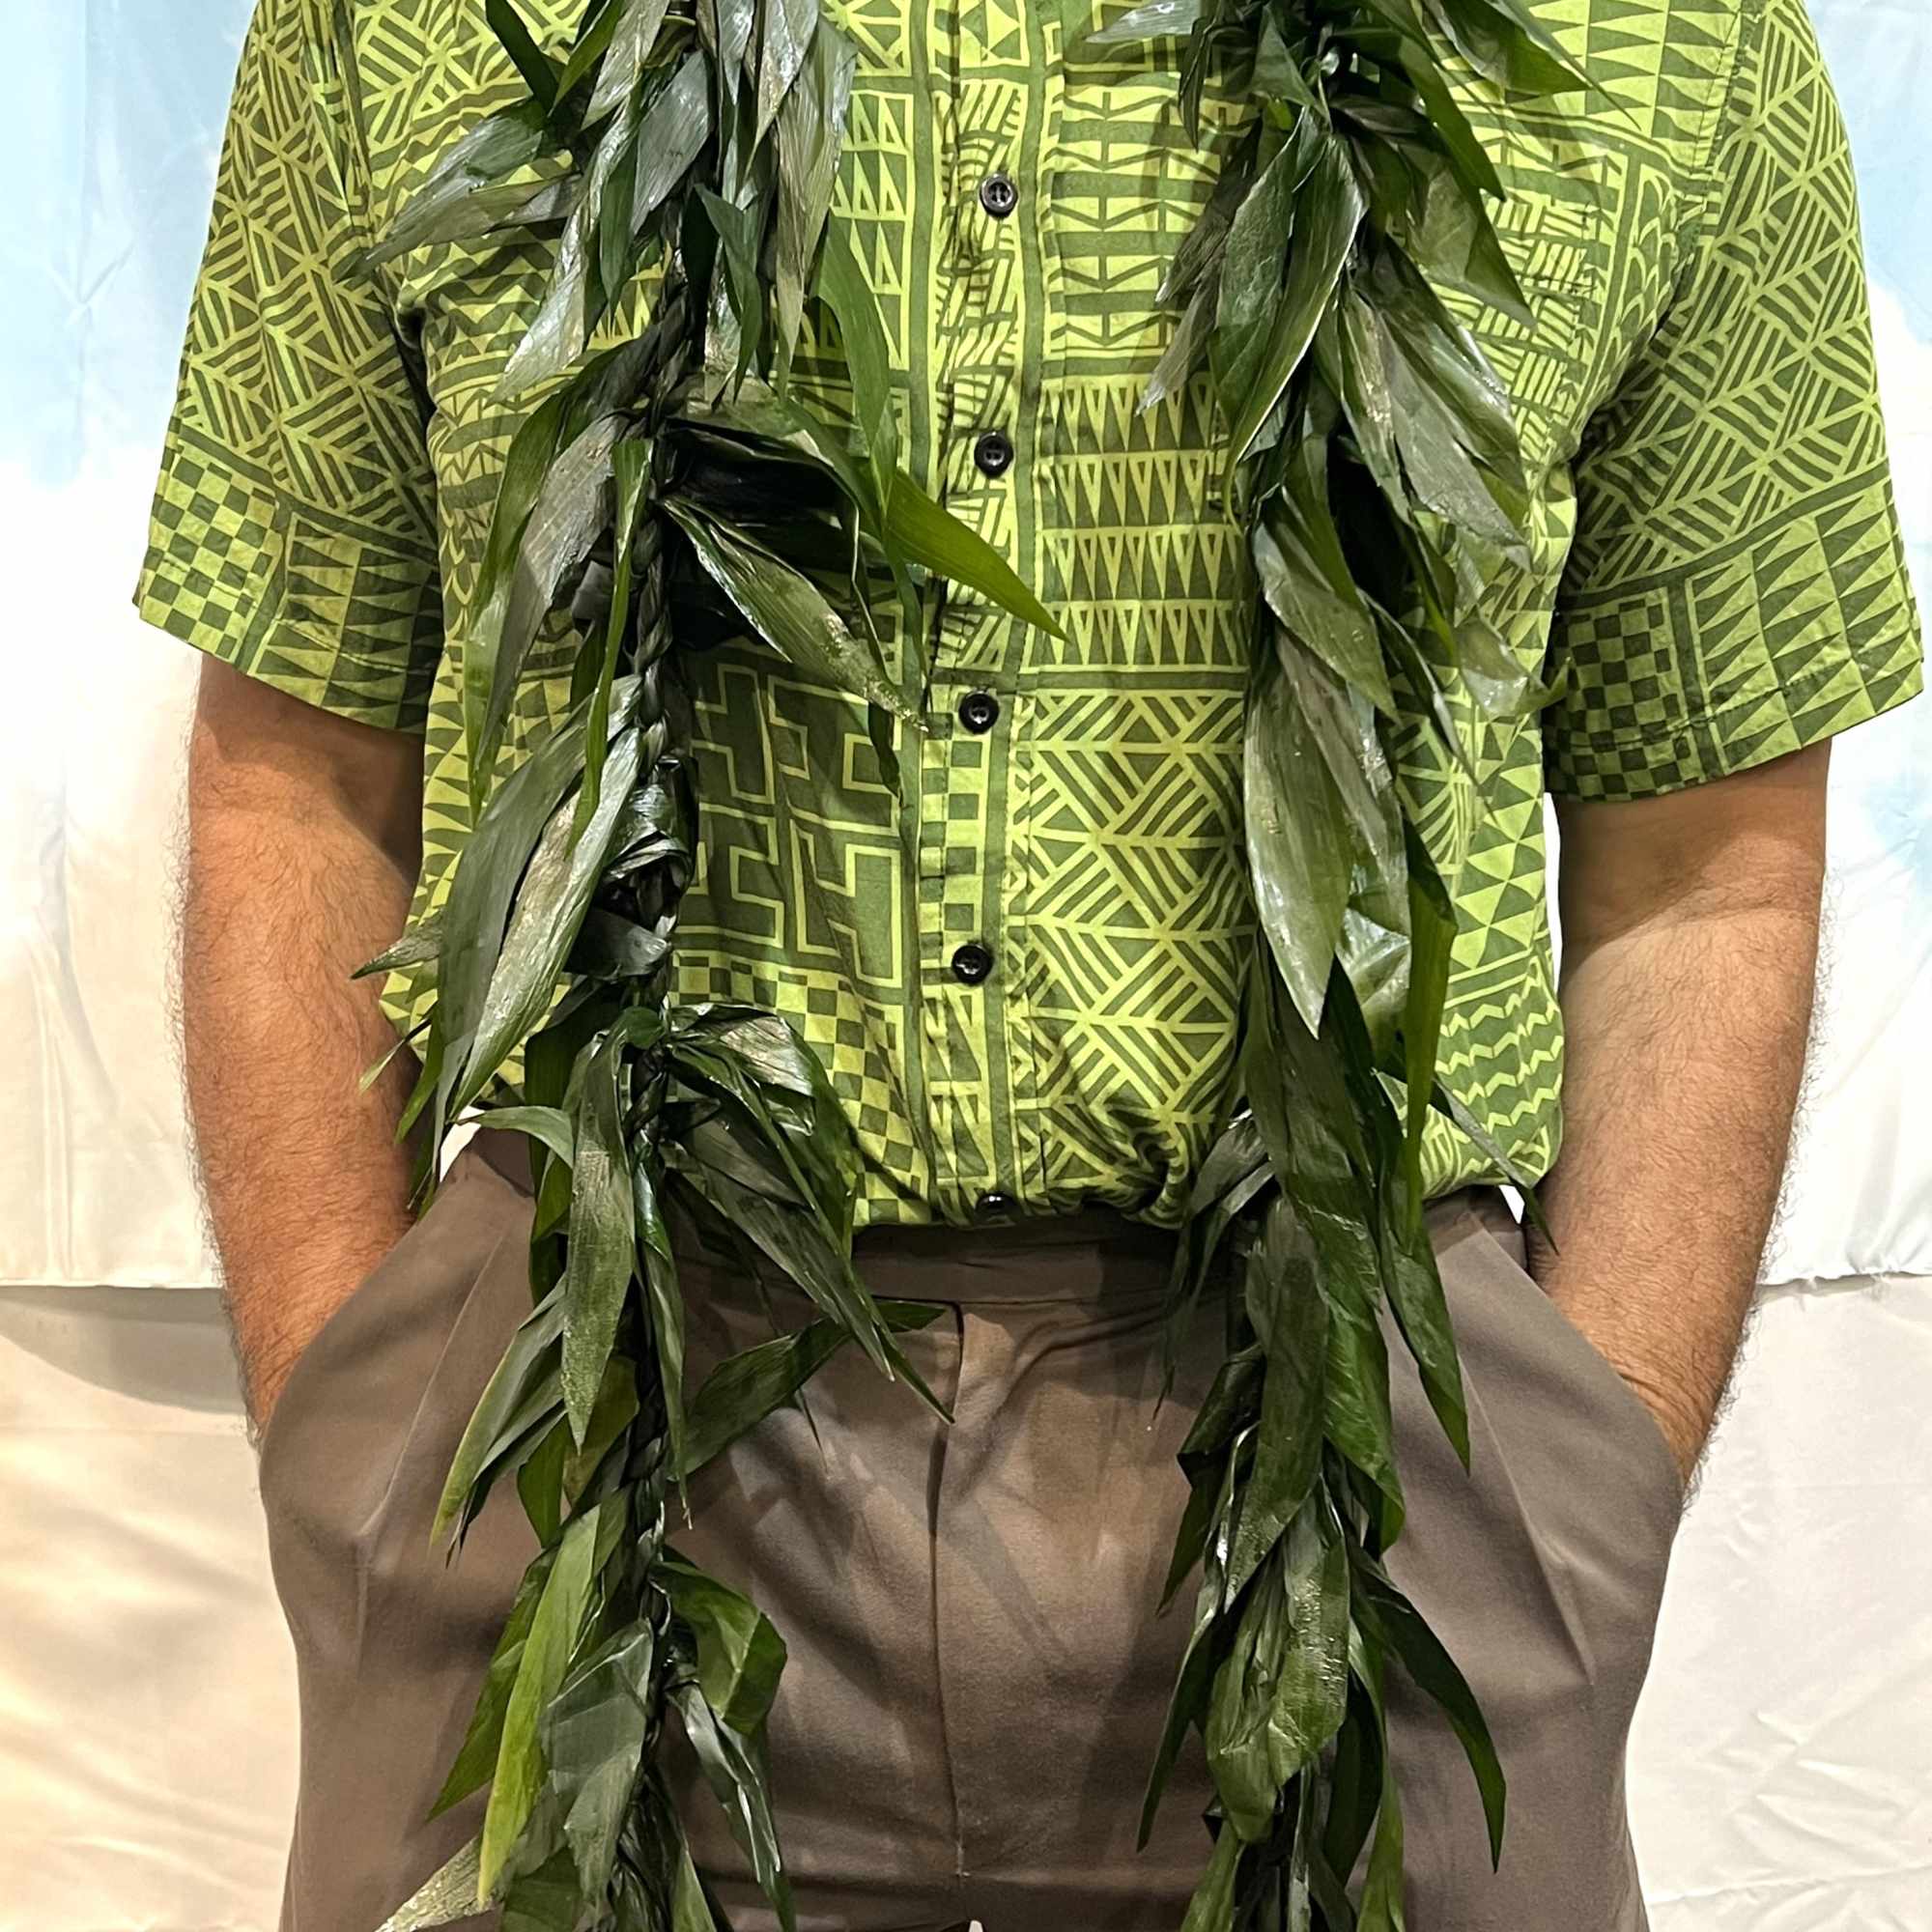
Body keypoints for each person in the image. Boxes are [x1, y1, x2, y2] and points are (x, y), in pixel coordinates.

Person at [130, 0, 1922, 1927]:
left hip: (1378, 1498)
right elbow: (298, 774)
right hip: (577, 1453)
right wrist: (351, 1451)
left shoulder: (1663, 34)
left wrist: (1585, 1494)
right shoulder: (400, 21)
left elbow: (1701, 863)